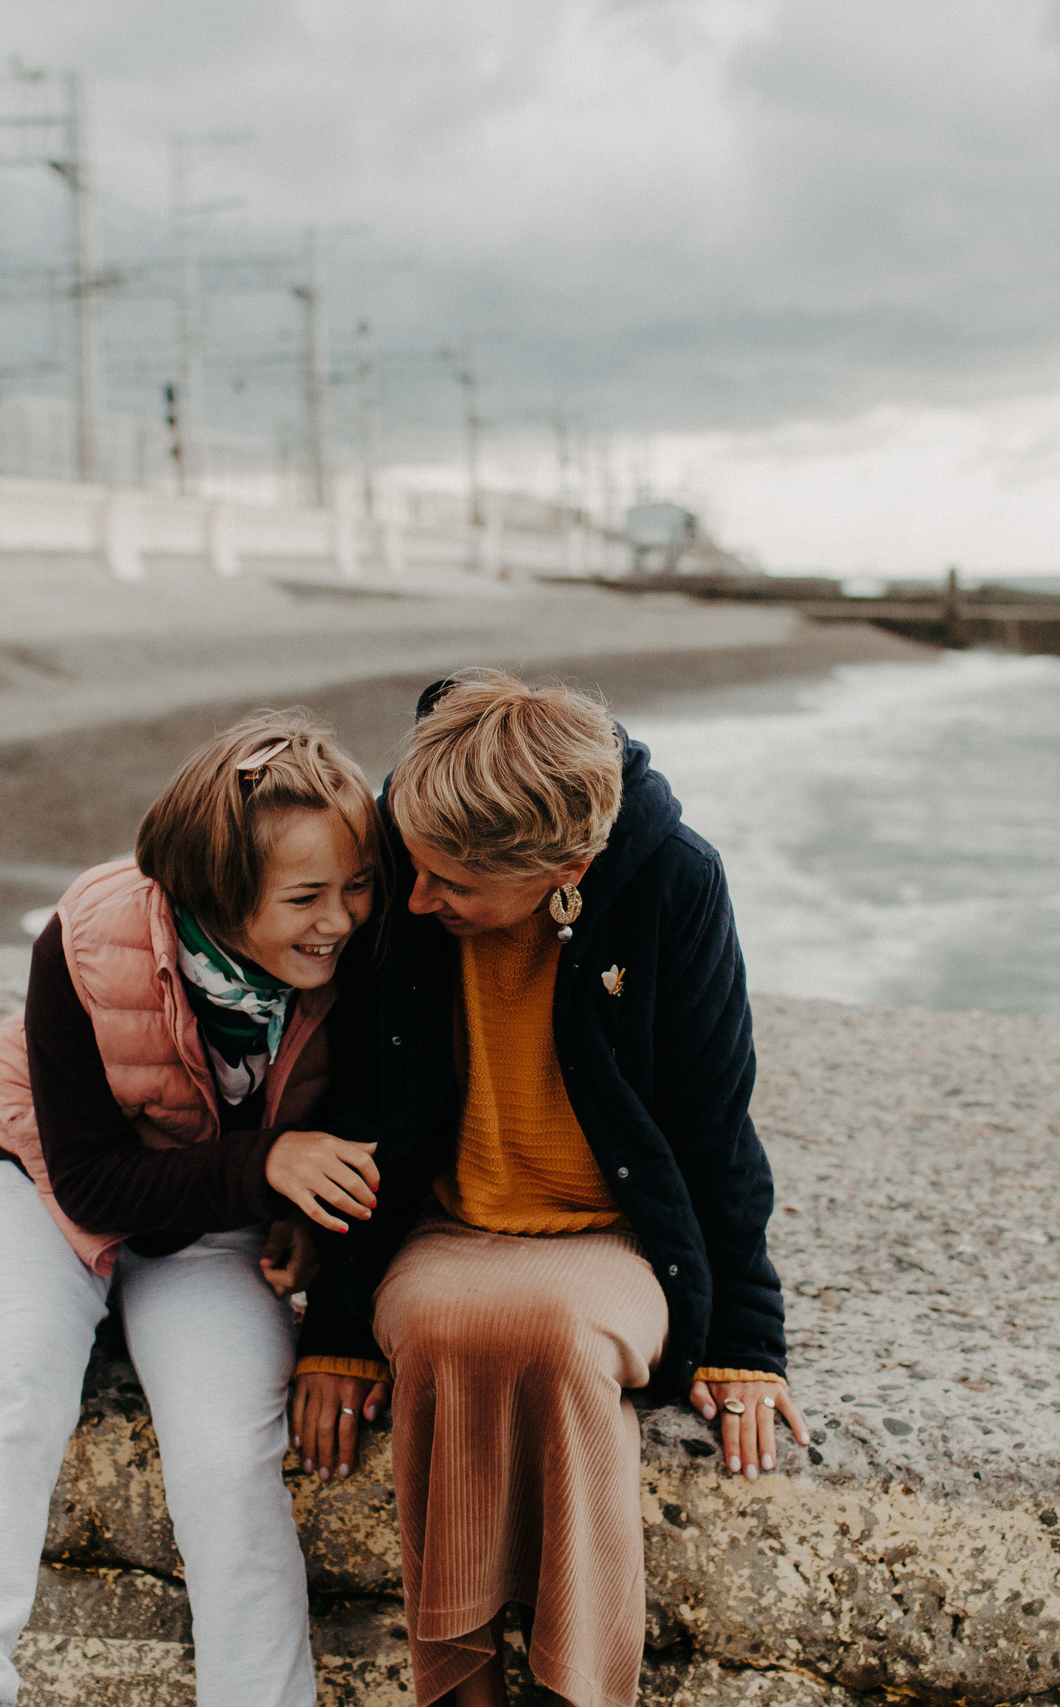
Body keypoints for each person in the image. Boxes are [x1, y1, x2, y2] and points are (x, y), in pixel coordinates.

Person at [288, 671, 809, 1707]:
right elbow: (355, 1101)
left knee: (563, 1342)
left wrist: (745, 1343)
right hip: (443, 1217)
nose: (415, 900)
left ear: (567, 870)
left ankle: (579, 1690)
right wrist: (335, 1331)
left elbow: (714, 1126)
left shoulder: (674, 885)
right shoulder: (404, 853)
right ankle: (459, 1688)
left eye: (453, 888)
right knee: (441, 1330)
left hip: (616, 1233)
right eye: (415, 872)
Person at [0, 710, 388, 1707]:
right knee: (14, 1384)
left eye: (357, 886)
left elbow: (368, 1116)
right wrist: (269, 1166)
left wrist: (300, 1218)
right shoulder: (84, 939)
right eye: (304, 897)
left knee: (227, 1446)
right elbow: (94, 1188)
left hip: (215, 1215)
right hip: (48, 1186)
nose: (340, 919)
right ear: (218, 889)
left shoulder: (361, 955)